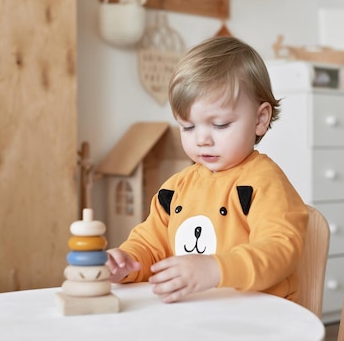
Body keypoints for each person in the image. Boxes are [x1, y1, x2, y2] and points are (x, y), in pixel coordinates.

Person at [106, 36, 308, 303]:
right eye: (188, 127)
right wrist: (128, 261)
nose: (202, 139)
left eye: (221, 124)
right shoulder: (175, 189)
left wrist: (216, 268)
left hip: (259, 317)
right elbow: (151, 244)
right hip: (198, 314)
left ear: (260, 119)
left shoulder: (264, 183)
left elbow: (279, 250)